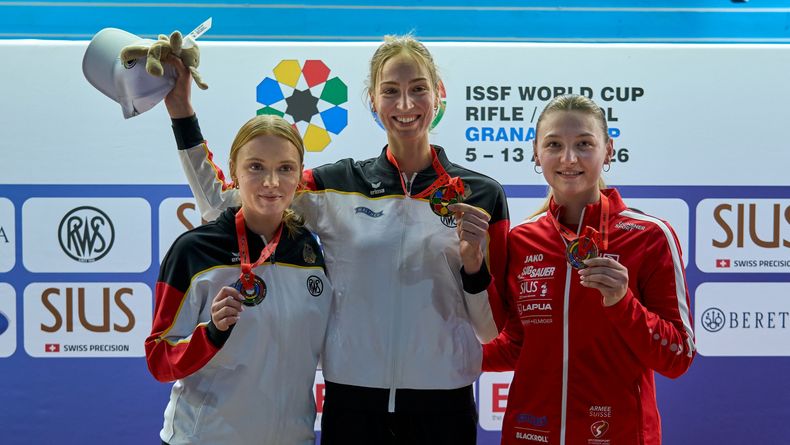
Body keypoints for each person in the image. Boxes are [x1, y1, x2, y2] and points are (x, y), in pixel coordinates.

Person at [163, 35, 510, 444]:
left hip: (443, 403)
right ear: (372, 99)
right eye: (390, 91)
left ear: (439, 94)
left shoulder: (481, 195)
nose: (404, 105)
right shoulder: (336, 185)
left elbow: (491, 329)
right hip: (352, 400)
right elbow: (224, 203)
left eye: (418, 89)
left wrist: (473, 268)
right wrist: (181, 110)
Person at [483, 94, 695, 445]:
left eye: (584, 144)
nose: (569, 158)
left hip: (619, 434)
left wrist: (622, 302)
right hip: (530, 433)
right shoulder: (521, 240)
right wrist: (445, 355)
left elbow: (678, 356)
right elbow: (516, 345)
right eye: (554, 145)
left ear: (608, 150)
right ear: (536, 153)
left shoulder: (650, 236)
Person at [145, 114, 333, 445]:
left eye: (285, 168)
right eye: (256, 167)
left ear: (299, 174)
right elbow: (159, 359)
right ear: (234, 170)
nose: (271, 181)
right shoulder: (195, 251)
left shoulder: (309, 251)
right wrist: (211, 333)